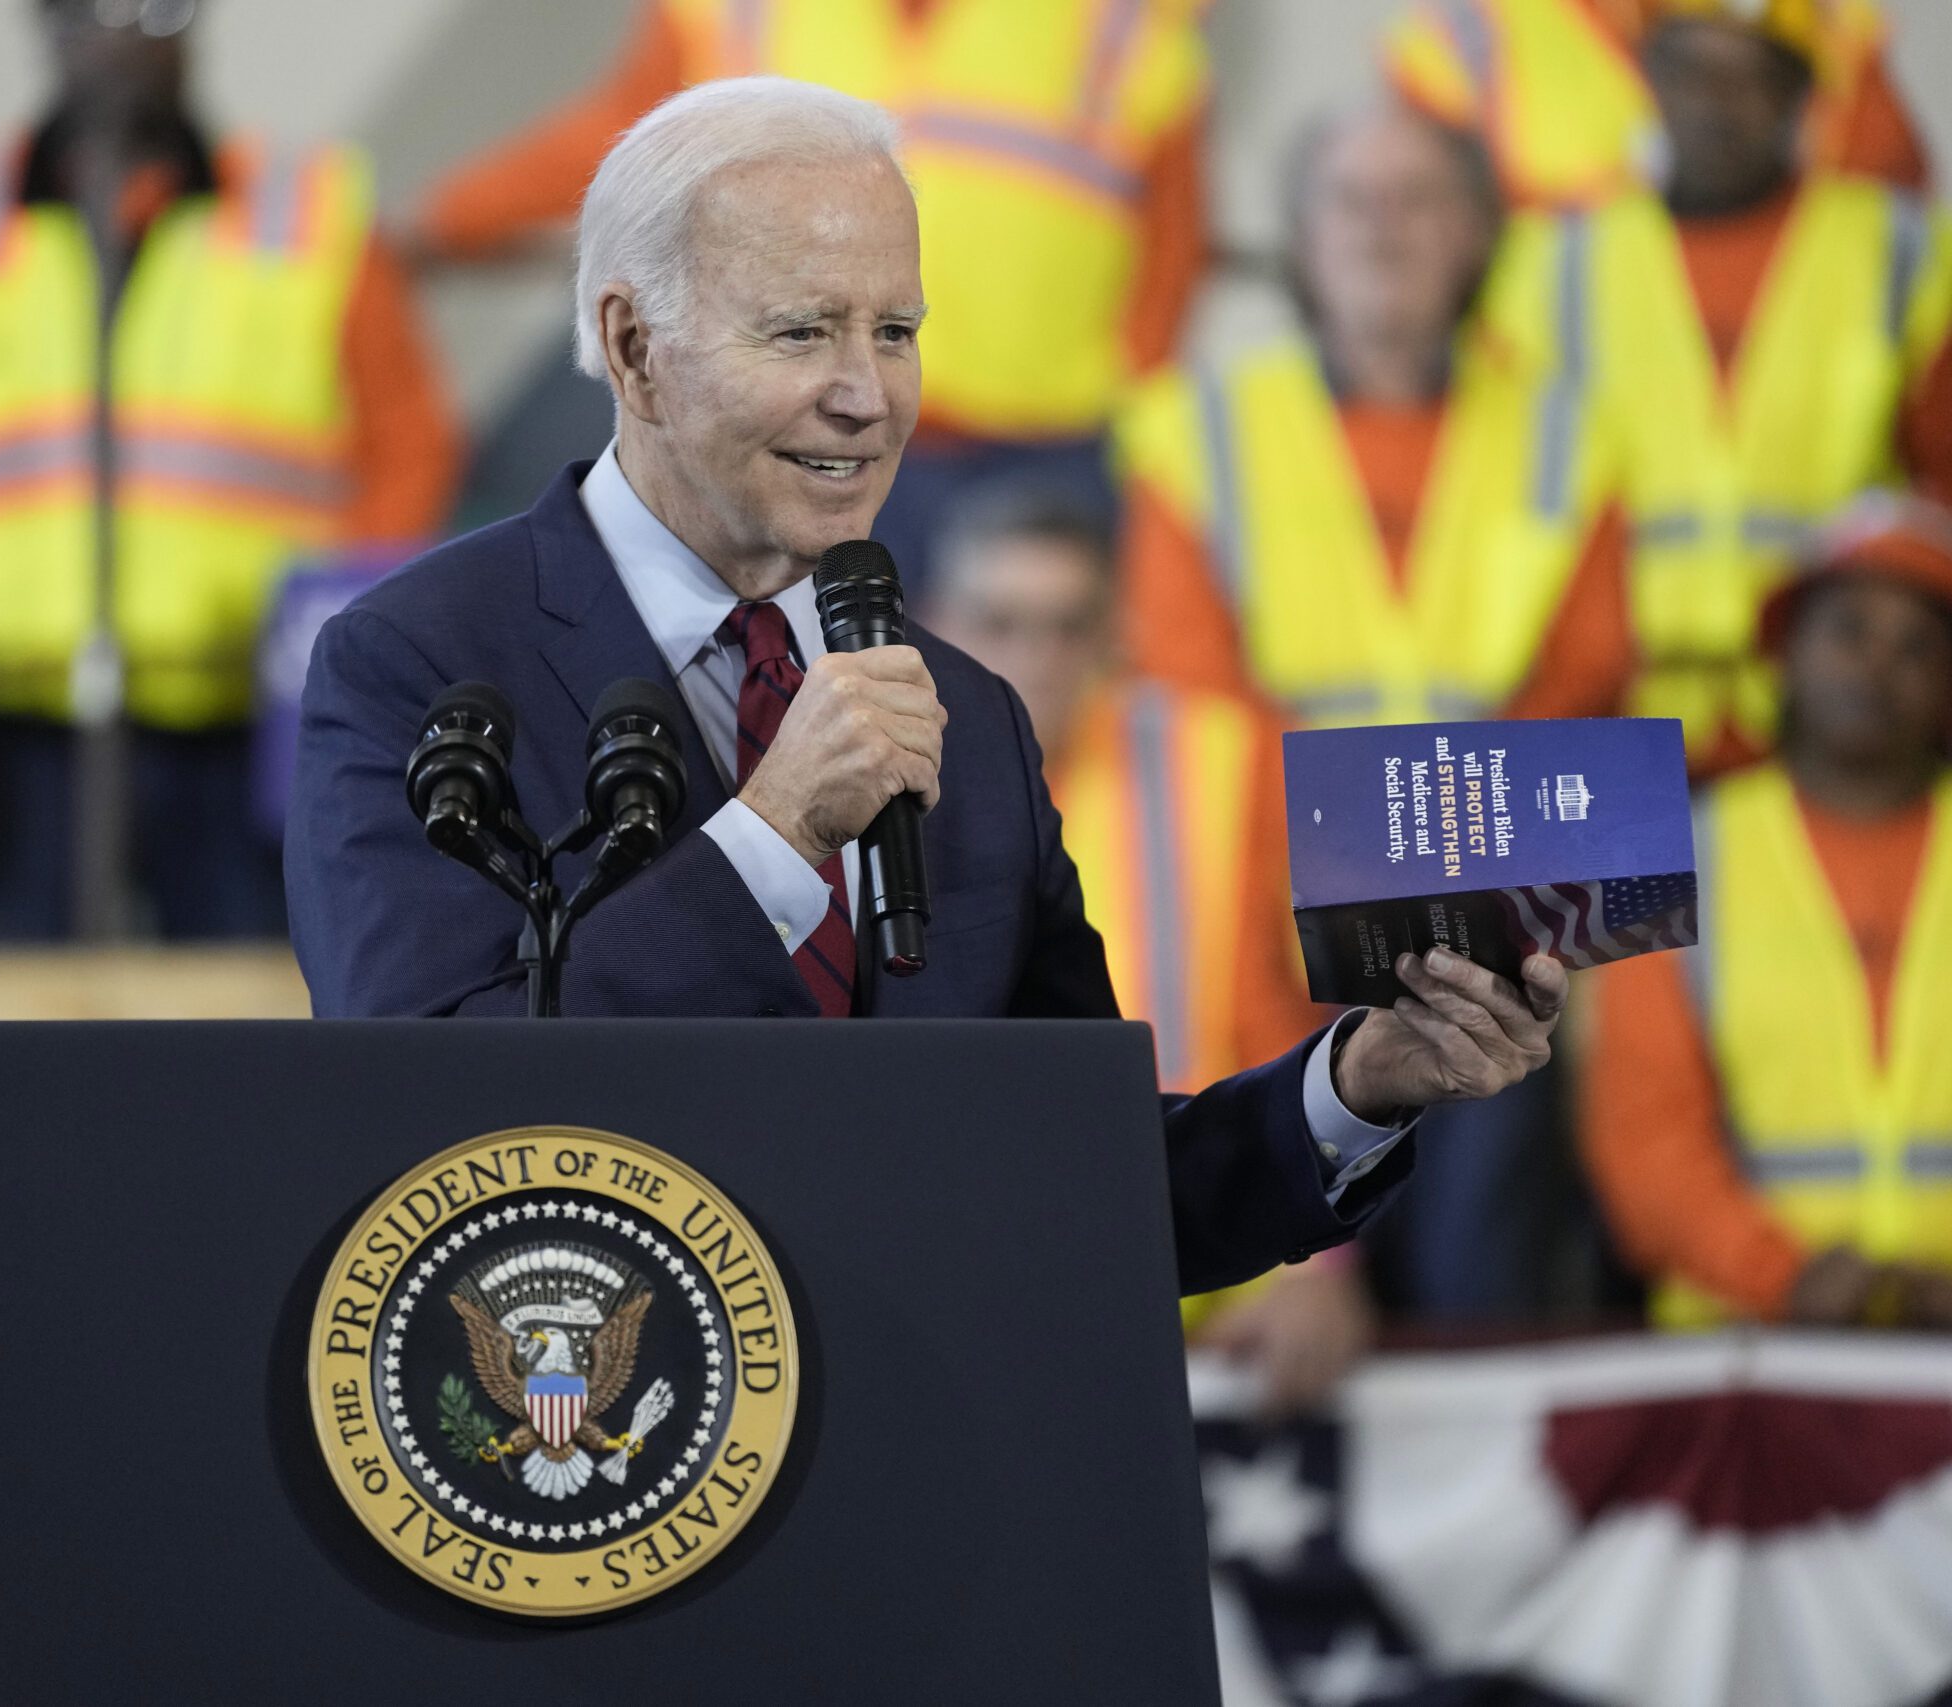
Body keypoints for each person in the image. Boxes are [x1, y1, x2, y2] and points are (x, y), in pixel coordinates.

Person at [288, 79, 1570, 1307]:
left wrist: (1356, 1084)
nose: (868, 395)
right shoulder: (412, 663)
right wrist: (774, 839)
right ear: (634, 348)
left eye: (893, 331)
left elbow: (1077, 1174)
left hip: (915, 1459)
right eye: (801, 331)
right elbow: (429, 1114)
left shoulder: (968, 711)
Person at [0, 0, 461, 942]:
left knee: (252, 1020)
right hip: (0, 707)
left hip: (245, 714)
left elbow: (405, 442)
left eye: (159, 13)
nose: (124, 39)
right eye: (92, 13)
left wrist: (344, 643)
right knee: (12, 1026)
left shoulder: (307, 210)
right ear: (47, 29)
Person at [410, 0, 1216, 589]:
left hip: (1039, 464)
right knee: (791, 728)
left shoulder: (1128, 26)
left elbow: (1170, 259)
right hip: (799, 451)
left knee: (1011, 750)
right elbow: (620, 142)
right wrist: (443, 224)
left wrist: (1124, 402)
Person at [920, 491, 1368, 1406]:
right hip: (946, 1279)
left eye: (1066, 625)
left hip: (1197, 1278)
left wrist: (1316, 1270)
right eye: (1001, 623)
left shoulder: (1219, 762)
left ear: (1112, 633)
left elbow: (1283, 1026)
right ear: (934, 627)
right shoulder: (860, 779)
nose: (1035, 658)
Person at [1483, 0, 1952, 775]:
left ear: (1804, 96)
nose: (1716, 102)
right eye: (1692, 69)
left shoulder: (1897, 256)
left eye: (1753, 77)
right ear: (1649, 79)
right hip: (1605, 718)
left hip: (1833, 727)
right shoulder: (1546, 266)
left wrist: (1947, 707)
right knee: (1630, 904)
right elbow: (1490, 498)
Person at [1582, 494, 1952, 1331]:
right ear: (1788, 652)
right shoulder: (1669, 863)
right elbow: (1642, 1141)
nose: (1876, 666)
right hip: (1741, 1359)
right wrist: (1781, 1277)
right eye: (1849, 630)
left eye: (1917, 646)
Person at [1116, 98, 1630, 732]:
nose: (1381, 229)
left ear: (1473, 232)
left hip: (1498, 824)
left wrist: (1443, 809)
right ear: (1304, 240)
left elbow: (1590, 673)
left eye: (1415, 199)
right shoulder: (1190, 431)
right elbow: (1189, 679)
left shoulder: (1568, 439)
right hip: (1275, 829)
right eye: (1350, 201)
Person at [1382, 0, 1927, 210]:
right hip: (1550, 433)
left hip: (1768, 431)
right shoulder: (1466, 40)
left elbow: (1890, 258)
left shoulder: (1814, 23)